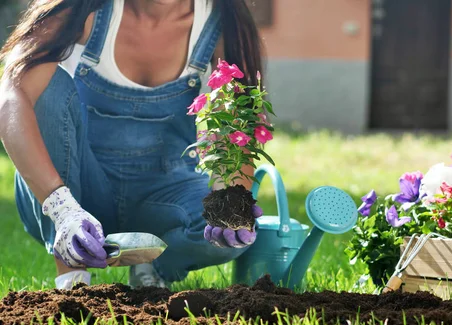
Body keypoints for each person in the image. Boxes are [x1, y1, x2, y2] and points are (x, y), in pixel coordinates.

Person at [0, 0, 264, 290]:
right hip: (81, 190)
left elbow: (238, 118)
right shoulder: (83, 8)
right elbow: (12, 96)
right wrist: (61, 209)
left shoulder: (221, 18)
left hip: (164, 194)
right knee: (45, 86)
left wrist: (229, 197)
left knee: (229, 228)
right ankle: (72, 276)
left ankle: (152, 263)